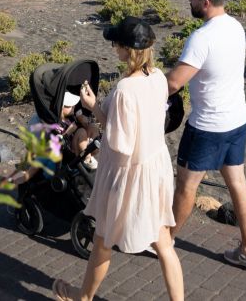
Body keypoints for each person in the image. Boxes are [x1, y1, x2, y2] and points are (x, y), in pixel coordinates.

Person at [54, 16, 183, 301]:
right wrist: (95, 107)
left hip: (128, 173)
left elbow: (120, 142)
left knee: (103, 239)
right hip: (155, 166)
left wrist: (94, 113)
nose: (114, 48)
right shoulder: (159, 77)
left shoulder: (126, 88)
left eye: (116, 43)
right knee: (163, 241)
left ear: (127, 48)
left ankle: (83, 297)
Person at [167, 0, 246, 273]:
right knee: (237, 183)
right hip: (237, 120)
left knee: (185, 186)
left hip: (208, 126)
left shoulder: (201, 37)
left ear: (205, 2)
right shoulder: (236, 27)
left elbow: (174, 83)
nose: (189, 1)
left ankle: (164, 242)